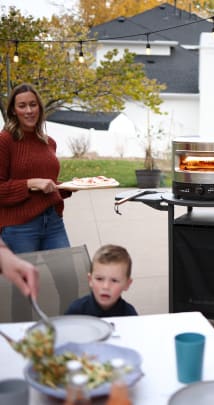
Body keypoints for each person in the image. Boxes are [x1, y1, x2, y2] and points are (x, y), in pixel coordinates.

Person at [0, 83, 72, 253]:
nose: (29, 111)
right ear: (13, 111)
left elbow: (45, 185)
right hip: (20, 227)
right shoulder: (5, 141)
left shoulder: (49, 142)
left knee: (67, 276)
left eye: (33, 105)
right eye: (22, 106)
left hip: (53, 222)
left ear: (40, 108)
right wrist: (30, 183)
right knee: (25, 280)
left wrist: (65, 187)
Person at [65, 244, 138, 317]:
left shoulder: (129, 314)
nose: (105, 286)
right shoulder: (76, 311)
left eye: (114, 280)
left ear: (127, 284)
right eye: (99, 279)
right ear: (90, 280)